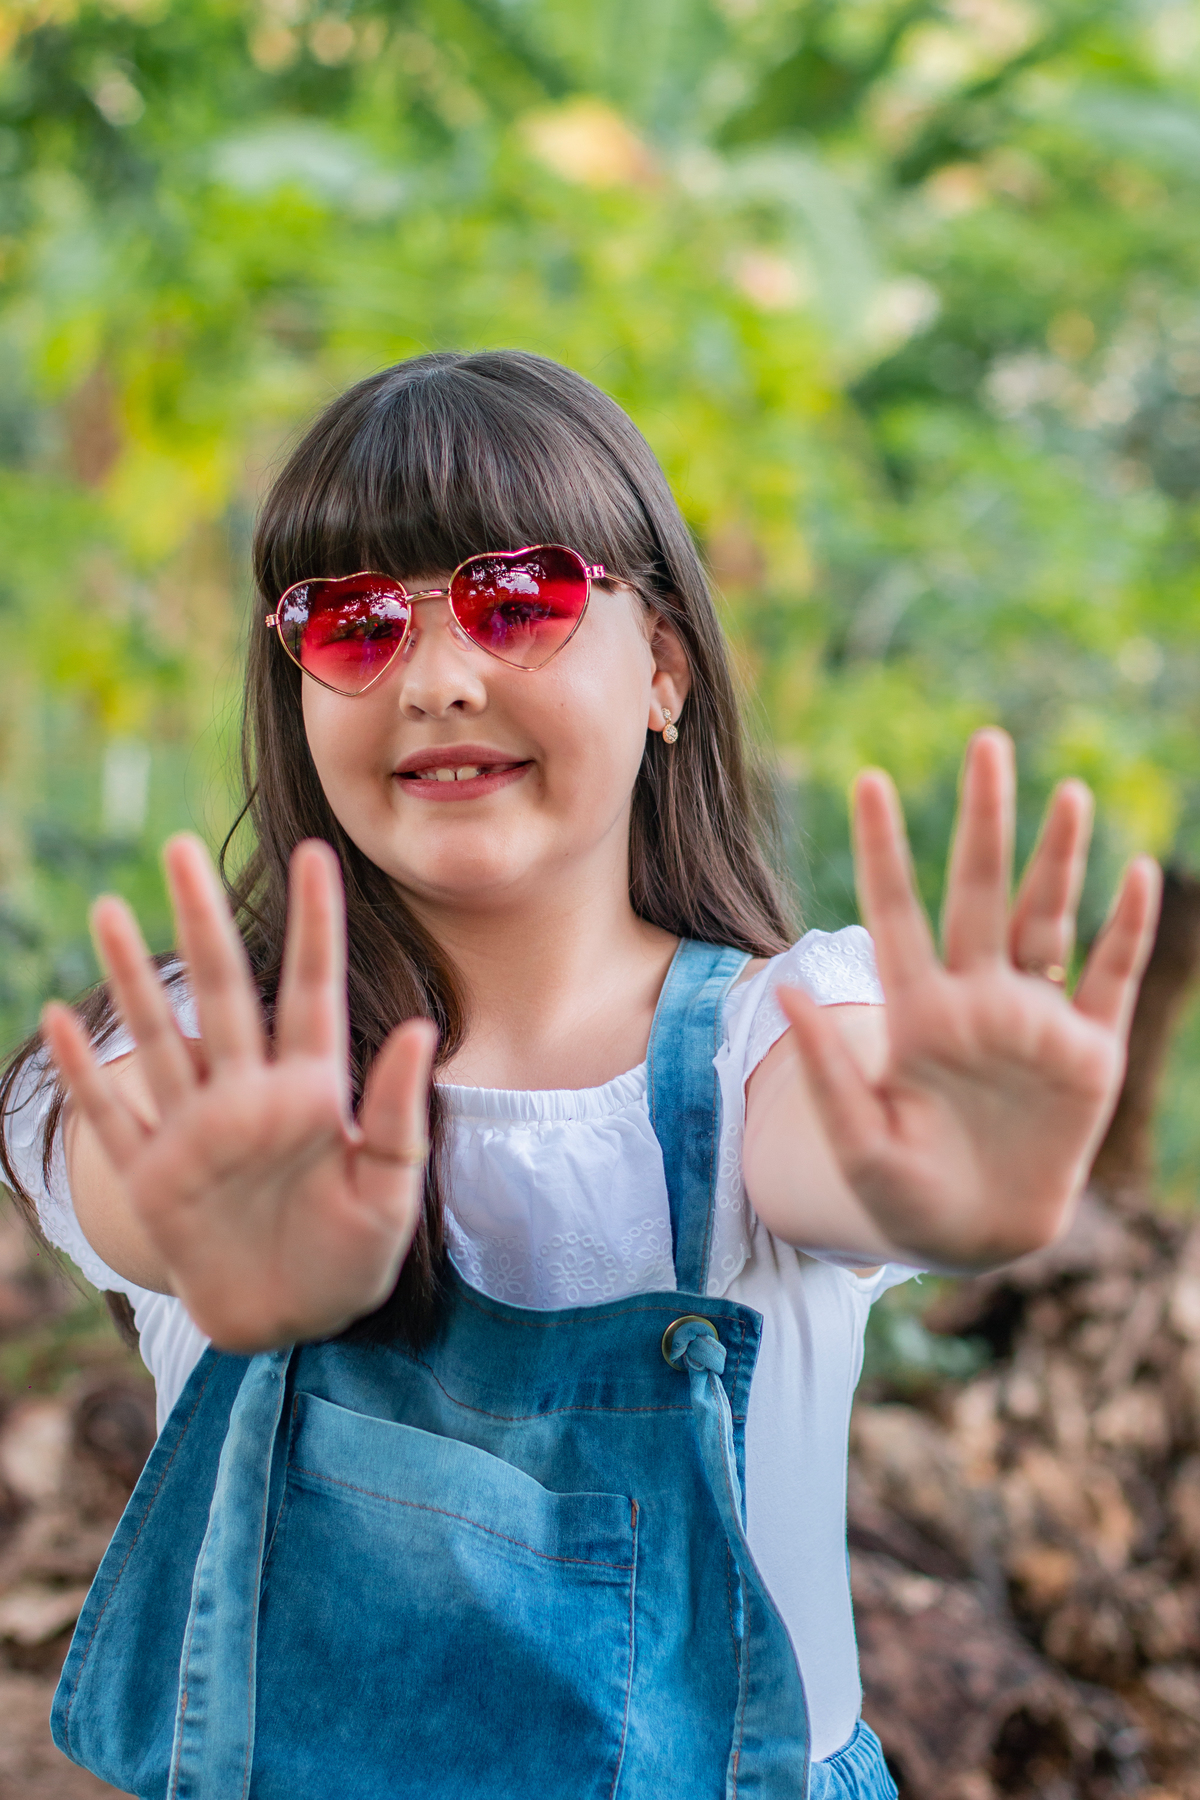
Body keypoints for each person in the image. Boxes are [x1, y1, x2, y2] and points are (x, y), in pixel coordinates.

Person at [0, 350, 1159, 1800]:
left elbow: (851, 1142)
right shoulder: (201, 1054)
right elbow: (139, 1171)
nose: (437, 677)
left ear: (662, 669)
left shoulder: (769, 1044)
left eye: (518, 599)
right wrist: (205, 1238)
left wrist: (951, 1186)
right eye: (353, 626)